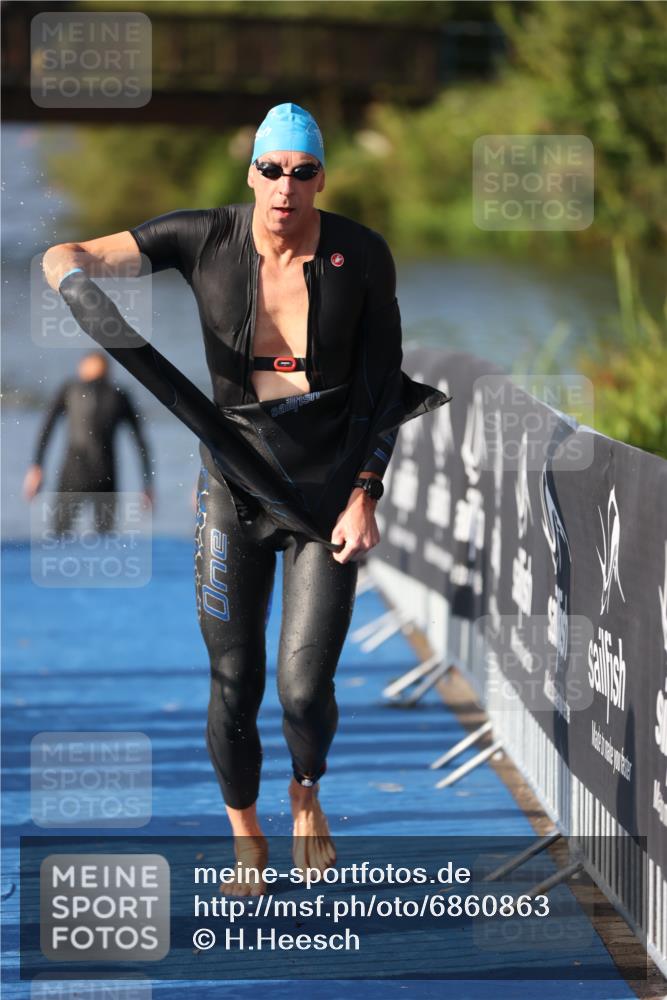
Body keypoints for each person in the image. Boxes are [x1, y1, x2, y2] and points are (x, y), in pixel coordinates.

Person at [43, 103, 449, 894]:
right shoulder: (202, 237)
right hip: (232, 483)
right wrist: (64, 266)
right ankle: (244, 831)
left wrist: (365, 493)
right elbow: (84, 251)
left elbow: (380, 391)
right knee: (234, 679)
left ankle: (306, 789)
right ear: (251, 174)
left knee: (303, 690)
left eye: (302, 174)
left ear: (321, 180)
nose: (284, 188)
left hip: (324, 493)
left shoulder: (360, 256)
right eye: (271, 170)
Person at [23, 350, 153, 532]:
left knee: (60, 535)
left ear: (83, 367)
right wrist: (147, 484)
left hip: (73, 474)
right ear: (108, 371)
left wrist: (36, 467)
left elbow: (46, 429)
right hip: (106, 475)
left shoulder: (69, 390)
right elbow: (141, 442)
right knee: (105, 539)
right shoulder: (120, 395)